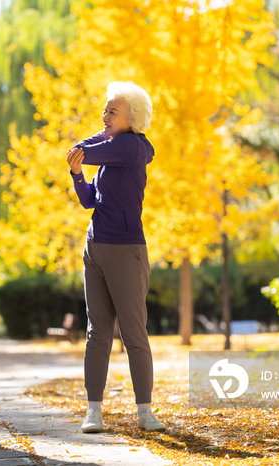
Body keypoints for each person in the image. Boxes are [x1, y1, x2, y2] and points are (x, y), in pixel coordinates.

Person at [65, 81, 166, 433]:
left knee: (134, 333)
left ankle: (145, 411)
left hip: (126, 252)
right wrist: (77, 174)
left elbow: (83, 148)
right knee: (98, 333)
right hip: (95, 249)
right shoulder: (111, 149)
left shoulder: (132, 148)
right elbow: (90, 200)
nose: (104, 116)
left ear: (132, 119)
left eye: (112, 110)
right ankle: (93, 411)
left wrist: (81, 152)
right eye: (105, 109)